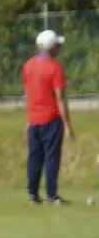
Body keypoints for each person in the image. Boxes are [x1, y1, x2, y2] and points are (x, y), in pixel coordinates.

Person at [21, 29, 75, 204]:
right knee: (51, 157)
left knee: (34, 157)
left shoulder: (28, 66)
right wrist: (67, 125)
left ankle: (32, 194)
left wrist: (28, 120)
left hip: (34, 119)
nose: (59, 48)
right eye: (57, 45)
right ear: (52, 48)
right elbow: (60, 97)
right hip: (51, 118)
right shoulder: (55, 68)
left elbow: (27, 94)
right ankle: (51, 195)